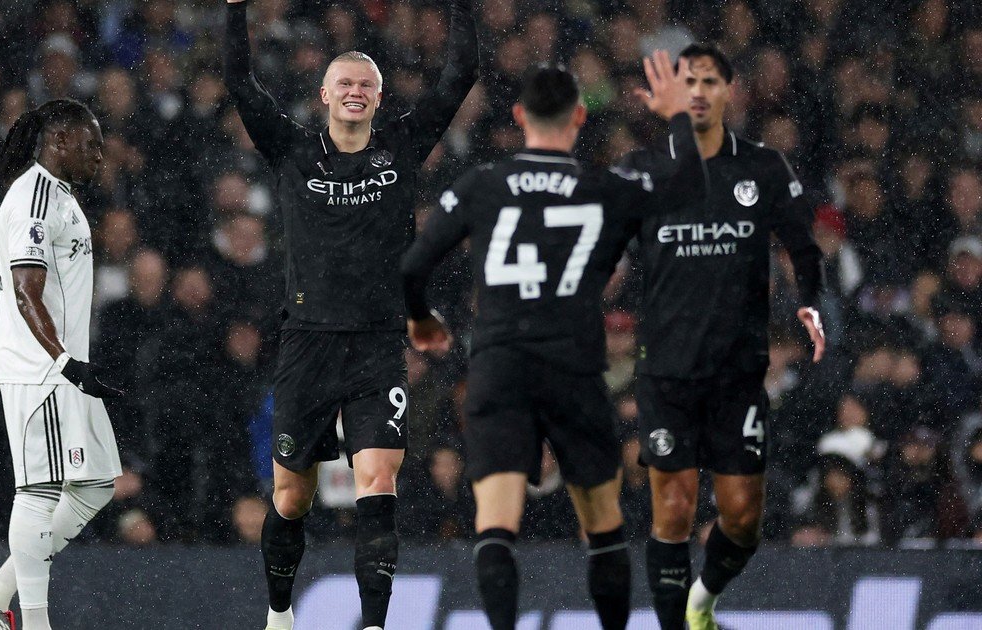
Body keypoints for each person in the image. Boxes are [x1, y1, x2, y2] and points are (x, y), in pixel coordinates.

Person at [400, 55, 701, 630]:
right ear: (580, 117)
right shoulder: (605, 187)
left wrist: (421, 319)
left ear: (518, 115)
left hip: (499, 364)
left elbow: (412, 267)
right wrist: (677, 118)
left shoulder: (482, 184)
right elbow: (686, 182)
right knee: (602, 523)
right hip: (572, 365)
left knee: (495, 525)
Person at [223, 1, 479, 628]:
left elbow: (460, 73)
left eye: (366, 84)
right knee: (290, 495)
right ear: (325, 95)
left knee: (377, 478)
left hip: (373, 348)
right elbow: (239, 81)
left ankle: (372, 624)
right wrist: (235, 11)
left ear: (380, 98)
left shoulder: (401, 149)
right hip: (307, 344)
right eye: (345, 83)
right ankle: (280, 614)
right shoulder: (290, 150)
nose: (356, 91)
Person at [616, 44, 826, 630]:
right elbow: (603, 246)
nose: (700, 91)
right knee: (674, 510)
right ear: (675, 94)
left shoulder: (761, 166)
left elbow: (804, 249)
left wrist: (809, 302)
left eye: (711, 81)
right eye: (690, 81)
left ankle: (702, 601)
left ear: (731, 91)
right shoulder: (644, 168)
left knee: (740, 521)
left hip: (737, 376)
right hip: (667, 375)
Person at [0, 99, 124, 630]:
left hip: (67, 367)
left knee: (97, 484)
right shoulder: (32, 198)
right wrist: (63, 360)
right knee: (39, 491)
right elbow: (26, 291)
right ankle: (34, 621)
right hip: (42, 371)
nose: (100, 154)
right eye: (91, 144)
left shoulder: (62, 195)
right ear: (58, 142)